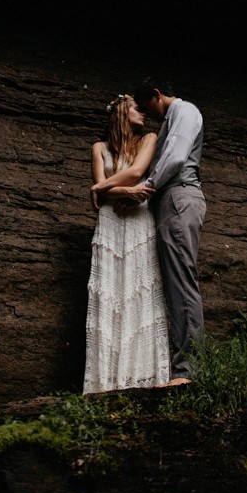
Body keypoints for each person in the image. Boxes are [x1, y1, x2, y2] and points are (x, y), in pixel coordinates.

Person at [92, 78, 206, 386]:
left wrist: (141, 188)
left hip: (179, 196)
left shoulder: (185, 112)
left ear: (157, 95)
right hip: (169, 200)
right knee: (174, 284)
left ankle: (188, 371)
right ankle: (182, 368)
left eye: (146, 107)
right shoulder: (171, 120)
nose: (147, 115)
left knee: (181, 282)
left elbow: (177, 157)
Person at [83, 94, 170, 394]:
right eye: (136, 108)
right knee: (110, 293)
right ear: (121, 112)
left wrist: (103, 187)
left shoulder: (149, 139)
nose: (143, 112)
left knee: (139, 291)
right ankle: (105, 383)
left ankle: (142, 379)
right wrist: (125, 193)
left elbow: (136, 173)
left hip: (138, 223)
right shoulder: (98, 148)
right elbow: (105, 197)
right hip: (110, 222)